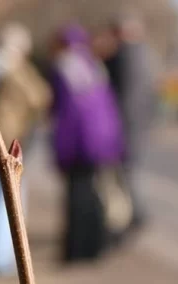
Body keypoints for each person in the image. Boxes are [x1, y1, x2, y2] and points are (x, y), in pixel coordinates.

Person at [0, 23, 53, 275]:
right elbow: (41, 97)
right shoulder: (15, 70)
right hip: (5, 146)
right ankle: (1, 258)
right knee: (9, 203)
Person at [48, 24, 125, 264]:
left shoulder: (65, 67)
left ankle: (77, 250)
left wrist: (62, 151)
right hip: (102, 141)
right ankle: (94, 247)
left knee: (77, 196)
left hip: (80, 143)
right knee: (92, 193)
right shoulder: (93, 65)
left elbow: (67, 114)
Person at [104, 14, 157, 240]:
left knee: (125, 176)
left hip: (127, 128)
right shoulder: (145, 55)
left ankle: (135, 216)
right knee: (128, 174)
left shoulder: (125, 56)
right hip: (138, 127)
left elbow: (124, 98)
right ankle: (135, 216)